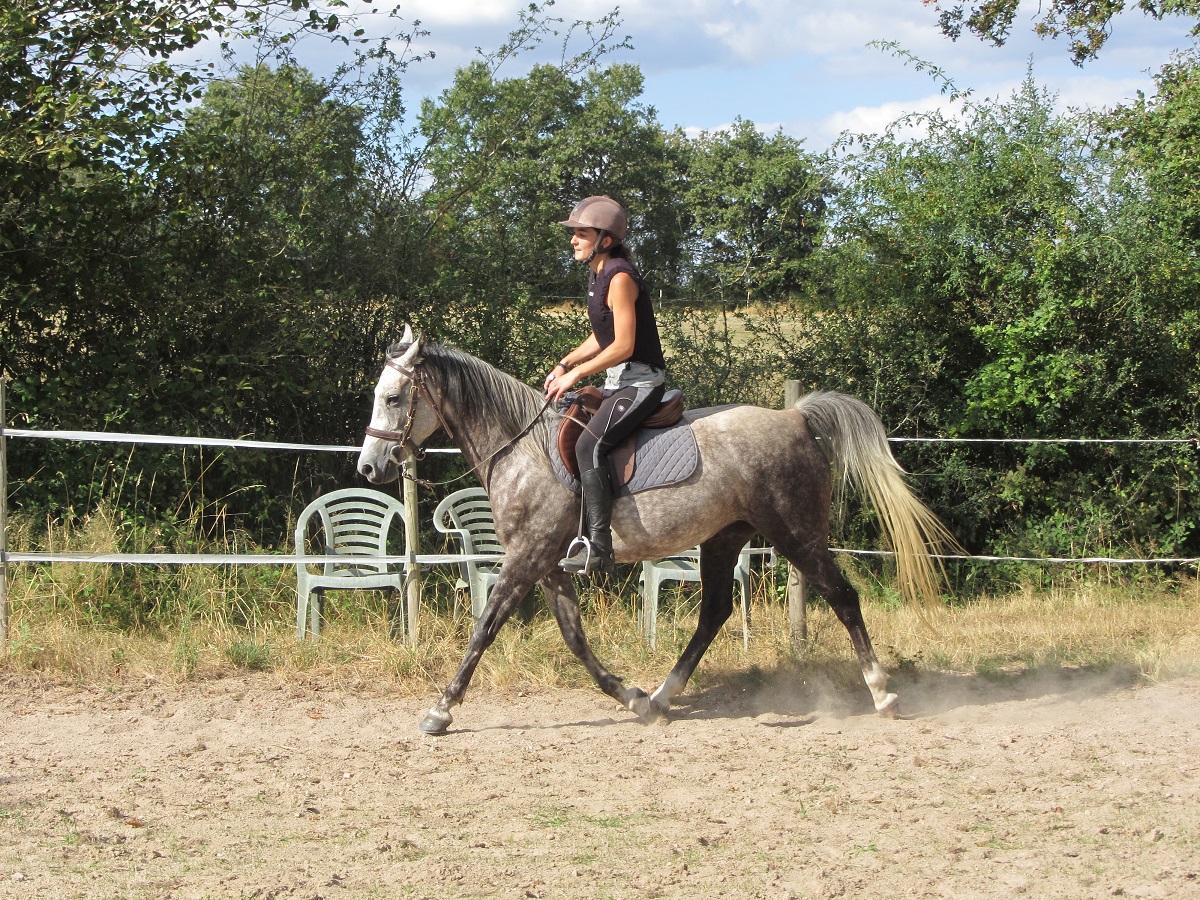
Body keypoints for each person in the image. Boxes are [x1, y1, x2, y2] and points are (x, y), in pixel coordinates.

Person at [544, 195, 667, 578]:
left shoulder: (620, 276)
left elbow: (625, 345)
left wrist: (576, 375)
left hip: (643, 382)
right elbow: (602, 337)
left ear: (605, 239)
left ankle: (599, 549)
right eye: (575, 233)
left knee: (588, 444)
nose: (573, 240)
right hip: (618, 382)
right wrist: (566, 361)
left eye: (581, 233)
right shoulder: (599, 275)